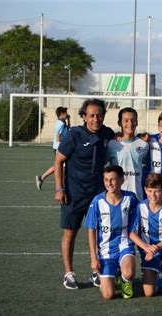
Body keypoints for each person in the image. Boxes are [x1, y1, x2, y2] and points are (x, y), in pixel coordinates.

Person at [54, 98, 115, 290]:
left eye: (99, 115)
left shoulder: (108, 133)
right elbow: (58, 161)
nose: (96, 119)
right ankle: (69, 273)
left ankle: (97, 271)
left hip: (97, 193)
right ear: (84, 116)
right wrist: (59, 188)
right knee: (70, 232)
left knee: (99, 232)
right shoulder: (74, 135)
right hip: (73, 192)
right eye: (92, 115)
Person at [84, 165, 138, 299]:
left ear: (121, 180)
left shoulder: (130, 198)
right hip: (105, 251)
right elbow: (91, 229)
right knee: (108, 295)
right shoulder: (97, 201)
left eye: (113, 180)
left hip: (124, 245)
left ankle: (125, 280)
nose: (109, 183)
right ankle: (114, 277)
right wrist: (93, 257)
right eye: (106, 180)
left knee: (129, 273)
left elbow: (145, 209)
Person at [129, 173, 162, 302]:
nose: (153, 195)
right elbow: (131, 233)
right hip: (148, 251)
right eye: (150, 191)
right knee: (149, 293)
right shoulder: (140, 207)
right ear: (145, 190)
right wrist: (146, 247)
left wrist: (157, 247)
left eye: (157, 191)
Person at [107, 107, 148, 200]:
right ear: (119, 123)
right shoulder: (112, 144)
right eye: (126, 120)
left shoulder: (144, 145)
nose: (130, 123)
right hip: (117, 197)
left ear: (137, 122)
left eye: (133, 120)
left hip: (137, 196)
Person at [36, 106, 70, 190]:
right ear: (61, 114)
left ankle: (41, 178)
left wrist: (68, 120)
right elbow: (59, 136)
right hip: (59, 148)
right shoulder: (61, 124)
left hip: (59, 147)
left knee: (58, 165)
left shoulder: (62, 122)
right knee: (60, 166)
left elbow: (68, 129)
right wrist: (62, 146)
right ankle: (61, 185)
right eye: (65, 113)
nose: (67, 114)